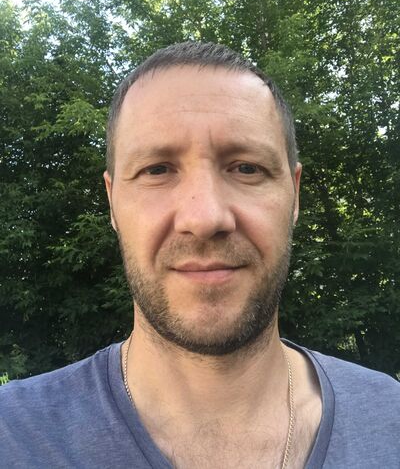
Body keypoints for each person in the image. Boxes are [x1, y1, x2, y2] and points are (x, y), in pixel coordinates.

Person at [0, 41, 399, 469]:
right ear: (112, 202)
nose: (205, 217)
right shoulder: (13, 435)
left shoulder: (390, 418)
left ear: (295, 195)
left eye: (247, 168)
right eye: (157, 170)